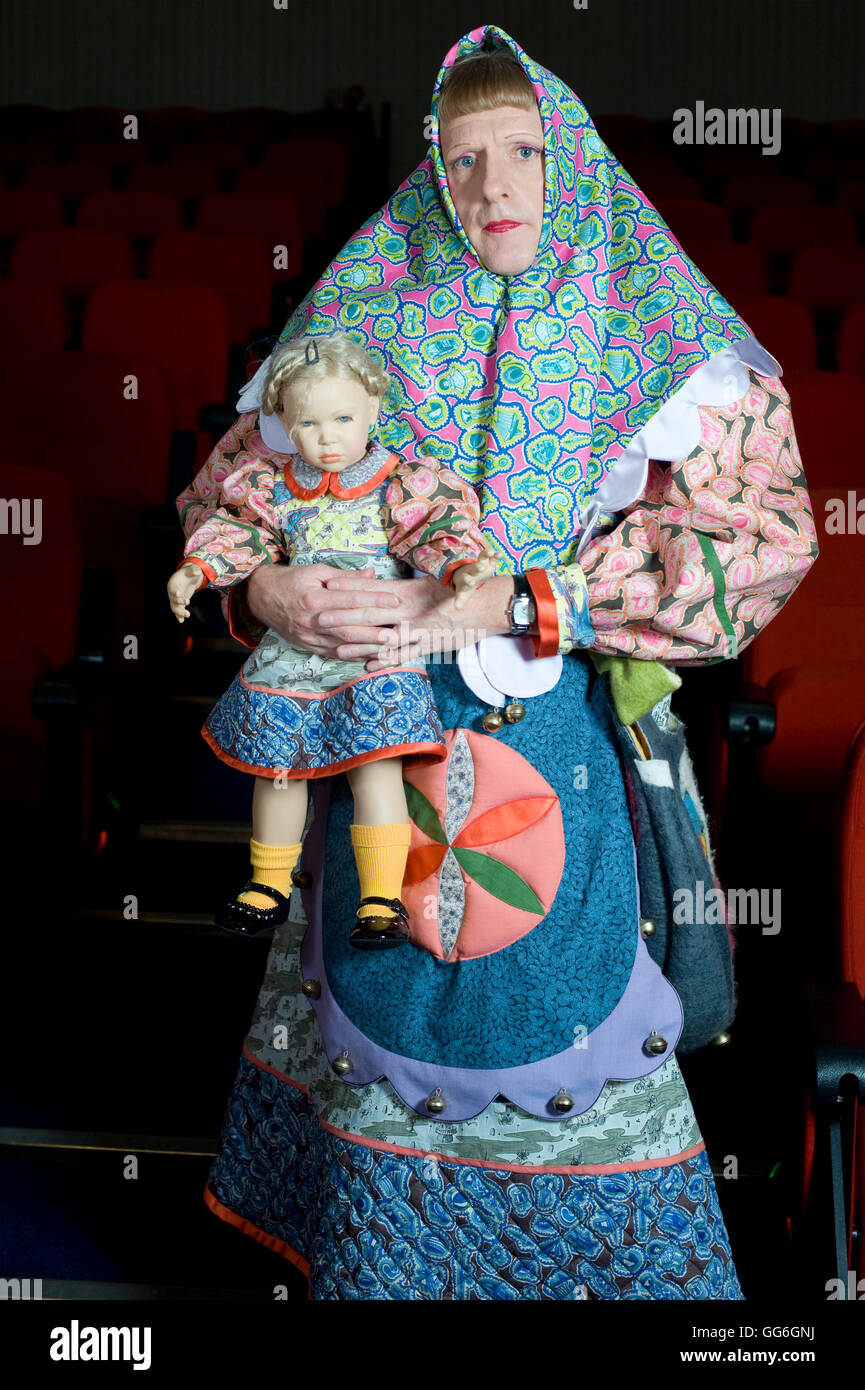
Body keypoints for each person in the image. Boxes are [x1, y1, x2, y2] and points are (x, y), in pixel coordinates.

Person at [181, 25, 818, 1299]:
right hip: (376, 752)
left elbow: (766, 547)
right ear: (431, 171)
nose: (495, 189)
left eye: (524, 152)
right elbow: (233, 496)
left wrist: (530, 596)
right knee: (374, 1070)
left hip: (564, 758)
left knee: (573, 1060)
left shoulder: (661, 327)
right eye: (461, 161)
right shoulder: (361, 313)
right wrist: (262, 587)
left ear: (569, 157)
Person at [169, 330, 494, 948]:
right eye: (309, 424)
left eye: (344, 418)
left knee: (376, 771)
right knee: (278, 770)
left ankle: (380, 898)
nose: (328, 438)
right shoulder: (269, 486)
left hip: (371, 647)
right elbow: (241, 535)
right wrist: (200, 568)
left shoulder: (398, 481)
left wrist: (458, 567)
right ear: (284, 426)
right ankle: (267, 882)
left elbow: (432, 527)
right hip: (295, 647)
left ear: (374, 409)